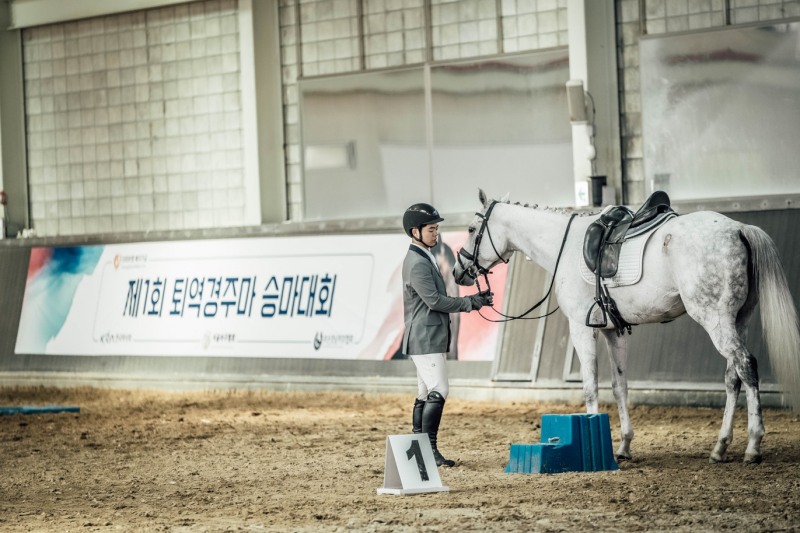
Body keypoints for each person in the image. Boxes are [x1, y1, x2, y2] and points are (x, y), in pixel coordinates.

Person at [401, 202, 493, 467]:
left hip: (425, 336)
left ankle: (419, 449)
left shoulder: (423, 257)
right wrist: (471, 303)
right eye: (431, 229)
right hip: (426, 338)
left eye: (437, 228)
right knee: (439, 389)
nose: (435, 233)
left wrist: (474, 299)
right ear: (415, 231)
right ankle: (428, 450)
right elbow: (435, 302)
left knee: (424, 392)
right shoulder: (417, 263)